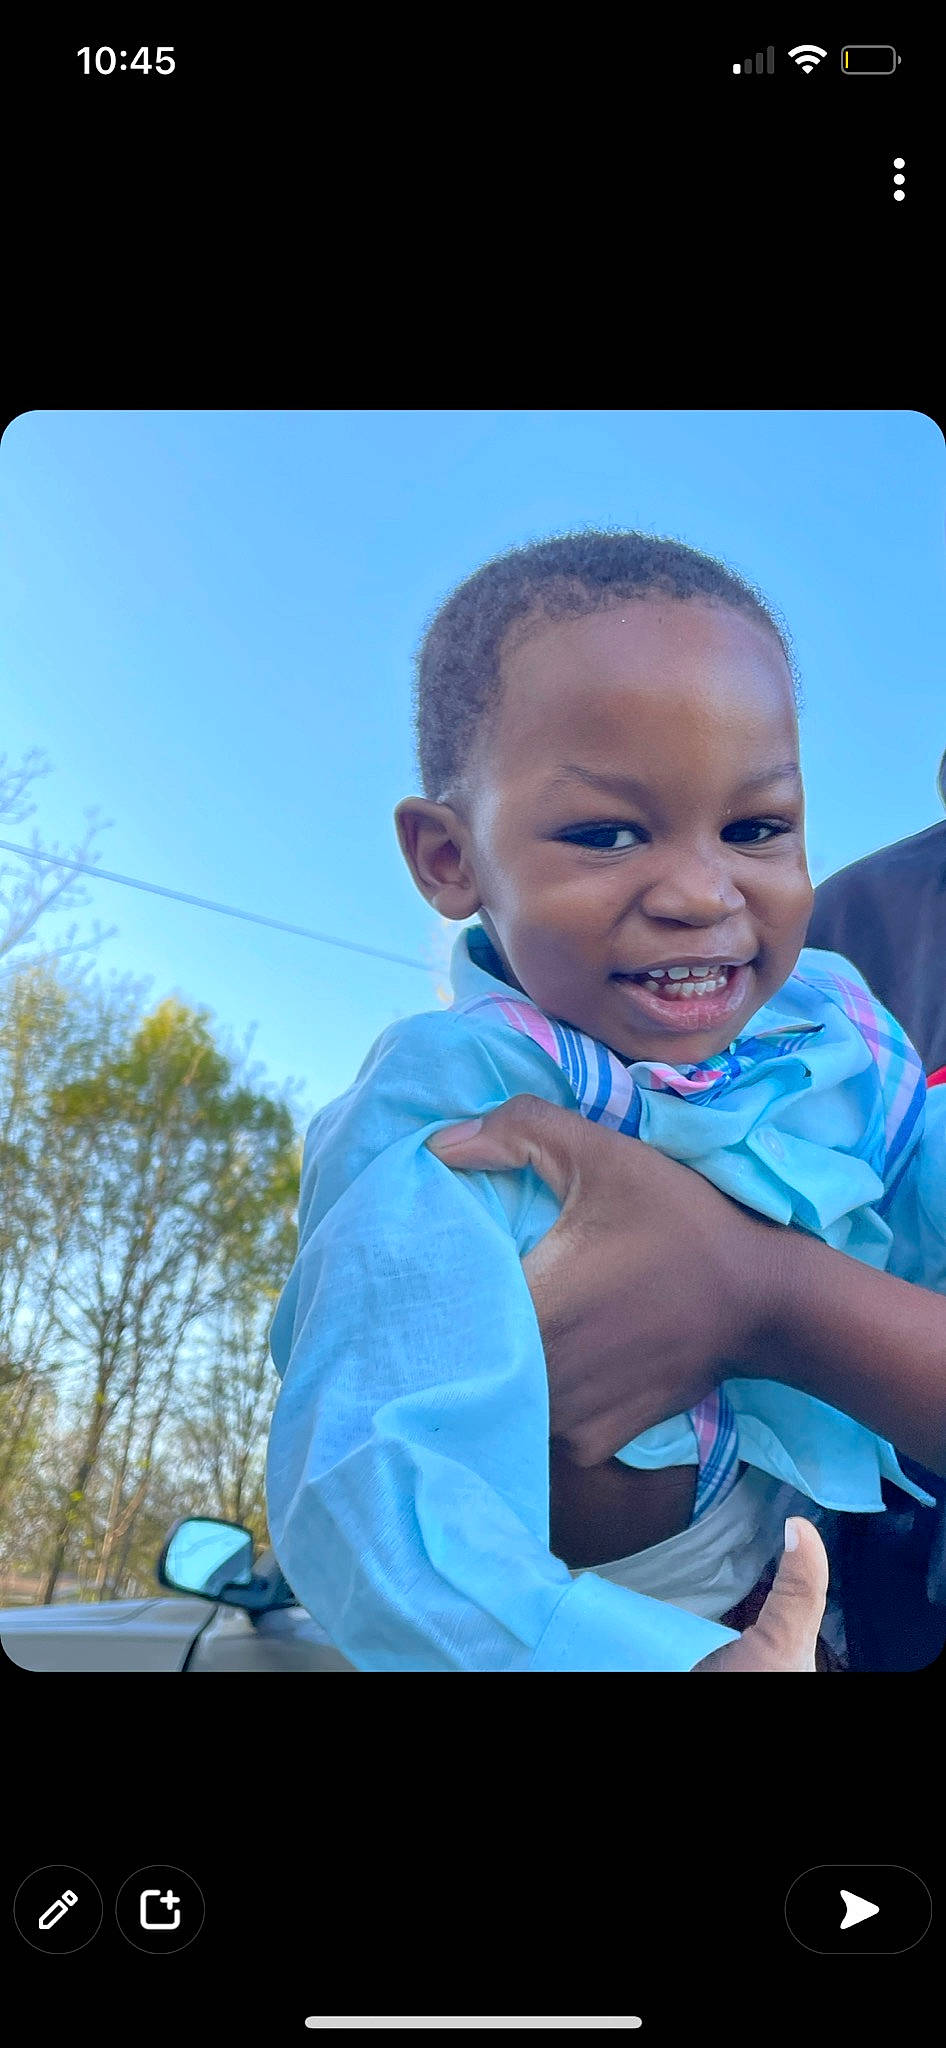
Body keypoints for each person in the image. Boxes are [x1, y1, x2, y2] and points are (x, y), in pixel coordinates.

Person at [265, 530, 946, 1673]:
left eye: (754, 827)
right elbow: (375, 1485)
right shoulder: (450, 1119)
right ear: (449, 857)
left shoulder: (840, 1034)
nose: (698, 891)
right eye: (604, 833)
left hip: (831, 1600)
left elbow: (919, 1193)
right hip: (580, 1622)